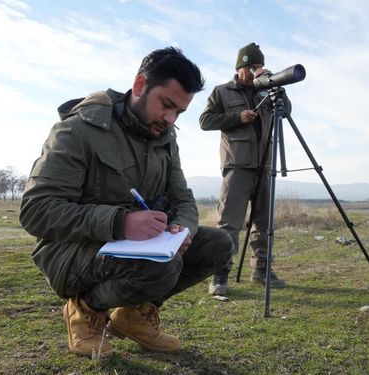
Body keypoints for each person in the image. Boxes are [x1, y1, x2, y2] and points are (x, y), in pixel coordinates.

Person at [19, 47, 232, 357]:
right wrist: (120, 222)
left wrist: (183, 229)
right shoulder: (77, 129)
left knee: (218, 245)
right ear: (139, 86)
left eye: (179, 113)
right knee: (162, 264)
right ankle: (85, 309)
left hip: (135, 249)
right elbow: (35, 211)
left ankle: (133, 317)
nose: (171, 119)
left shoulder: (165, 138)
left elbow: (183, 196)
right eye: (166, 105)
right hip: (70, 251)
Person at [200, 42, 290, 296]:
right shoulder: (221, 92)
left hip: (265, 164)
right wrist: (236, 118)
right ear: (239, 68)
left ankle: (261, 270)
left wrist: (274, 85)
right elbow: (205, 121)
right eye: (251, 67)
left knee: (264, 222)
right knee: (229, 223)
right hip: (237, 166)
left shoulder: (267, 88)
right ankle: (220, 274)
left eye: (258, 67)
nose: (254, 72)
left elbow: (287, 112)